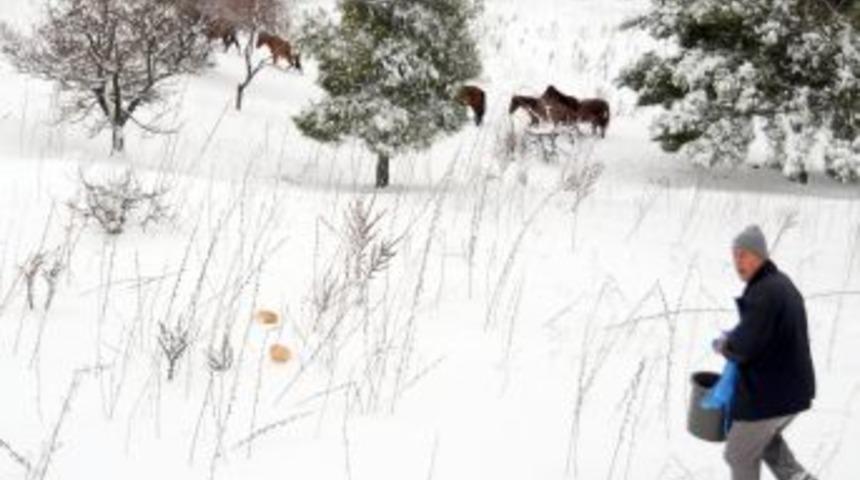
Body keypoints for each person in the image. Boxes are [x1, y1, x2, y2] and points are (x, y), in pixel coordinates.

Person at [712, 225, 817, 480]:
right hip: (792, 391)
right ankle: (798, 477)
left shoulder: (764, 293)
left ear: (760, 255)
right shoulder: (778, 283)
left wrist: (725, 345)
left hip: (772, 395)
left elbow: (745, 346)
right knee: (764, 443)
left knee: (738, 453)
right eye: (735, 255)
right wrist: (736, 337)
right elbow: (761, 333)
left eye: (744, 255)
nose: (738, 261)